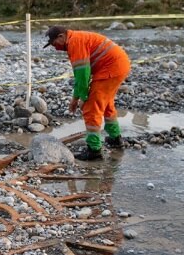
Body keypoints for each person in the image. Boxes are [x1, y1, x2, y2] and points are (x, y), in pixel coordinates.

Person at [44, 26, 131, 161]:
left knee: (91, 109)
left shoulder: (75, 43)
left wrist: (83, 98)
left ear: (61, 36)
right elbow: (81, 76)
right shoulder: (77, 38)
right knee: (106, 104)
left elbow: (83, 75)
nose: (55, 48)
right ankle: (115, 139)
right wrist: (75, 97)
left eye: (54, 43)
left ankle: (94, 151)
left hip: (110, 69)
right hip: (119, 66)